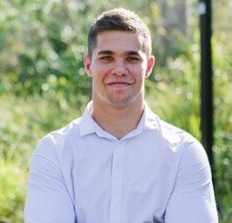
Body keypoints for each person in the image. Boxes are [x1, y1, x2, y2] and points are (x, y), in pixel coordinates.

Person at [24, 8, 218, 223]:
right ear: (89, 65)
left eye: (131, 59)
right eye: (107, 58)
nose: (119, 69)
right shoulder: (54, 152)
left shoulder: (183, 154)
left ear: (149, 66)